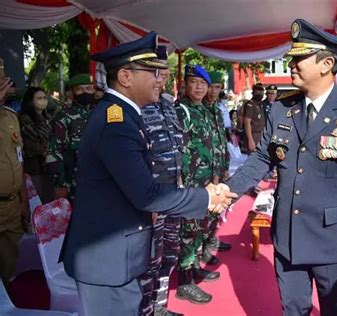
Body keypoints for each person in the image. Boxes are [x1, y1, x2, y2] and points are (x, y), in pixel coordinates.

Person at [225, 19, 337, 316]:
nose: (292, 64)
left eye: (299, 58)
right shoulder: (282, 108)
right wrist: (226, 191)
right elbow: (262, 157)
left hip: (334, 244)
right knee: (292, 311)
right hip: (289, 238)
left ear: (326, 64)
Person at [59, 32, 236, 316]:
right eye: (152, 71)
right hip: (106, 260)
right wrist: (205, 199)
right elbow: (145, 193)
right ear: (126, 77)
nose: (160, 78)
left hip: (117, 254)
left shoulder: (125, 114)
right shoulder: (115, 121)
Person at [139, 45, 184, 316]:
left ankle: (160, 306)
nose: (161, 76)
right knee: (149, 262)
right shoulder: (137, 108)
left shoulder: (168, 105)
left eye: (164, 70)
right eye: (155, 71)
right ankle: (145, 311)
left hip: (173, 195)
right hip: (152, 199)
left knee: (170, 254)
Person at [174, 65, 221, 304]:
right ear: (185, 85)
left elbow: (211, 145)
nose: (200, 87)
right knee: (188, 231)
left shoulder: (204, 109)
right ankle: (184, 282)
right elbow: (176, 149)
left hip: (205, 182)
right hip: (190, 183)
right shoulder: (180, 110)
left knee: (200, 229)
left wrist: (215, 176)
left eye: (204, 83)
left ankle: (193, 269)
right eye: (194, 82)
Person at [46, 73, 95, 203]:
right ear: (71, 93)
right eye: (80, 89)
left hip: (99, 180)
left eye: (89, 89)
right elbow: (54, 152)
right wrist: (60, 184)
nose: (86, 92)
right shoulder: (63, 118)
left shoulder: (99, 113)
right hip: (75, 183)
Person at [0, 77, 28, 289]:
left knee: (14, 271)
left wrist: (23, 199)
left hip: (11, 208)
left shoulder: (10, 116)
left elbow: (19, 158)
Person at [202, 71, 232, 259]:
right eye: (211, 87)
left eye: (218, 87)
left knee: (217, 208)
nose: (214, 91)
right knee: (205, 211)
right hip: (204, 169)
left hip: (218, 167)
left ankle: (211, 238)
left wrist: (225, 166)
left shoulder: (216, 108)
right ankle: (203, 248)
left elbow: (221, 141)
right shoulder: (201, 108)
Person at [18, 87, 54, 203]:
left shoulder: (48, 118)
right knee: (36, 201)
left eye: (44, 98)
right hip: (34, 166)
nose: (43, 100)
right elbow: (34, 142)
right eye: (39, 98)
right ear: (31, 101)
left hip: (48, 166)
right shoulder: (24, 119)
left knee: (48, 200)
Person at [243, 83, 266, 152]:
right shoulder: (250, 105)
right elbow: (247, 122)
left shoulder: (261, 104)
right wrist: (250, 140)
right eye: (257, 91)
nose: (260, 93)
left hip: (262, 134)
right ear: (253, 92)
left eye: (261, 91)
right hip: (254, 135)